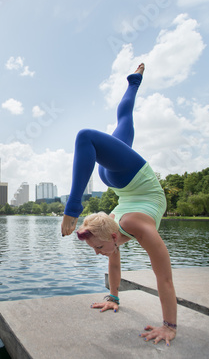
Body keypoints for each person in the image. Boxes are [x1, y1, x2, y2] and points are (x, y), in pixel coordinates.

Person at [61, 63, 177, 346]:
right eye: (97, 249)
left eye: (98, 248)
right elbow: (114, 264)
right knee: (124, 118)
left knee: (86, 136)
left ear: (112, 237)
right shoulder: (114, 230)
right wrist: (113, 298)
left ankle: (72, 206)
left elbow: (164, 279)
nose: (100, 253)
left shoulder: (131, 227)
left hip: (129, 178)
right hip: (123, 182)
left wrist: (169, 327)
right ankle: (134, 81)